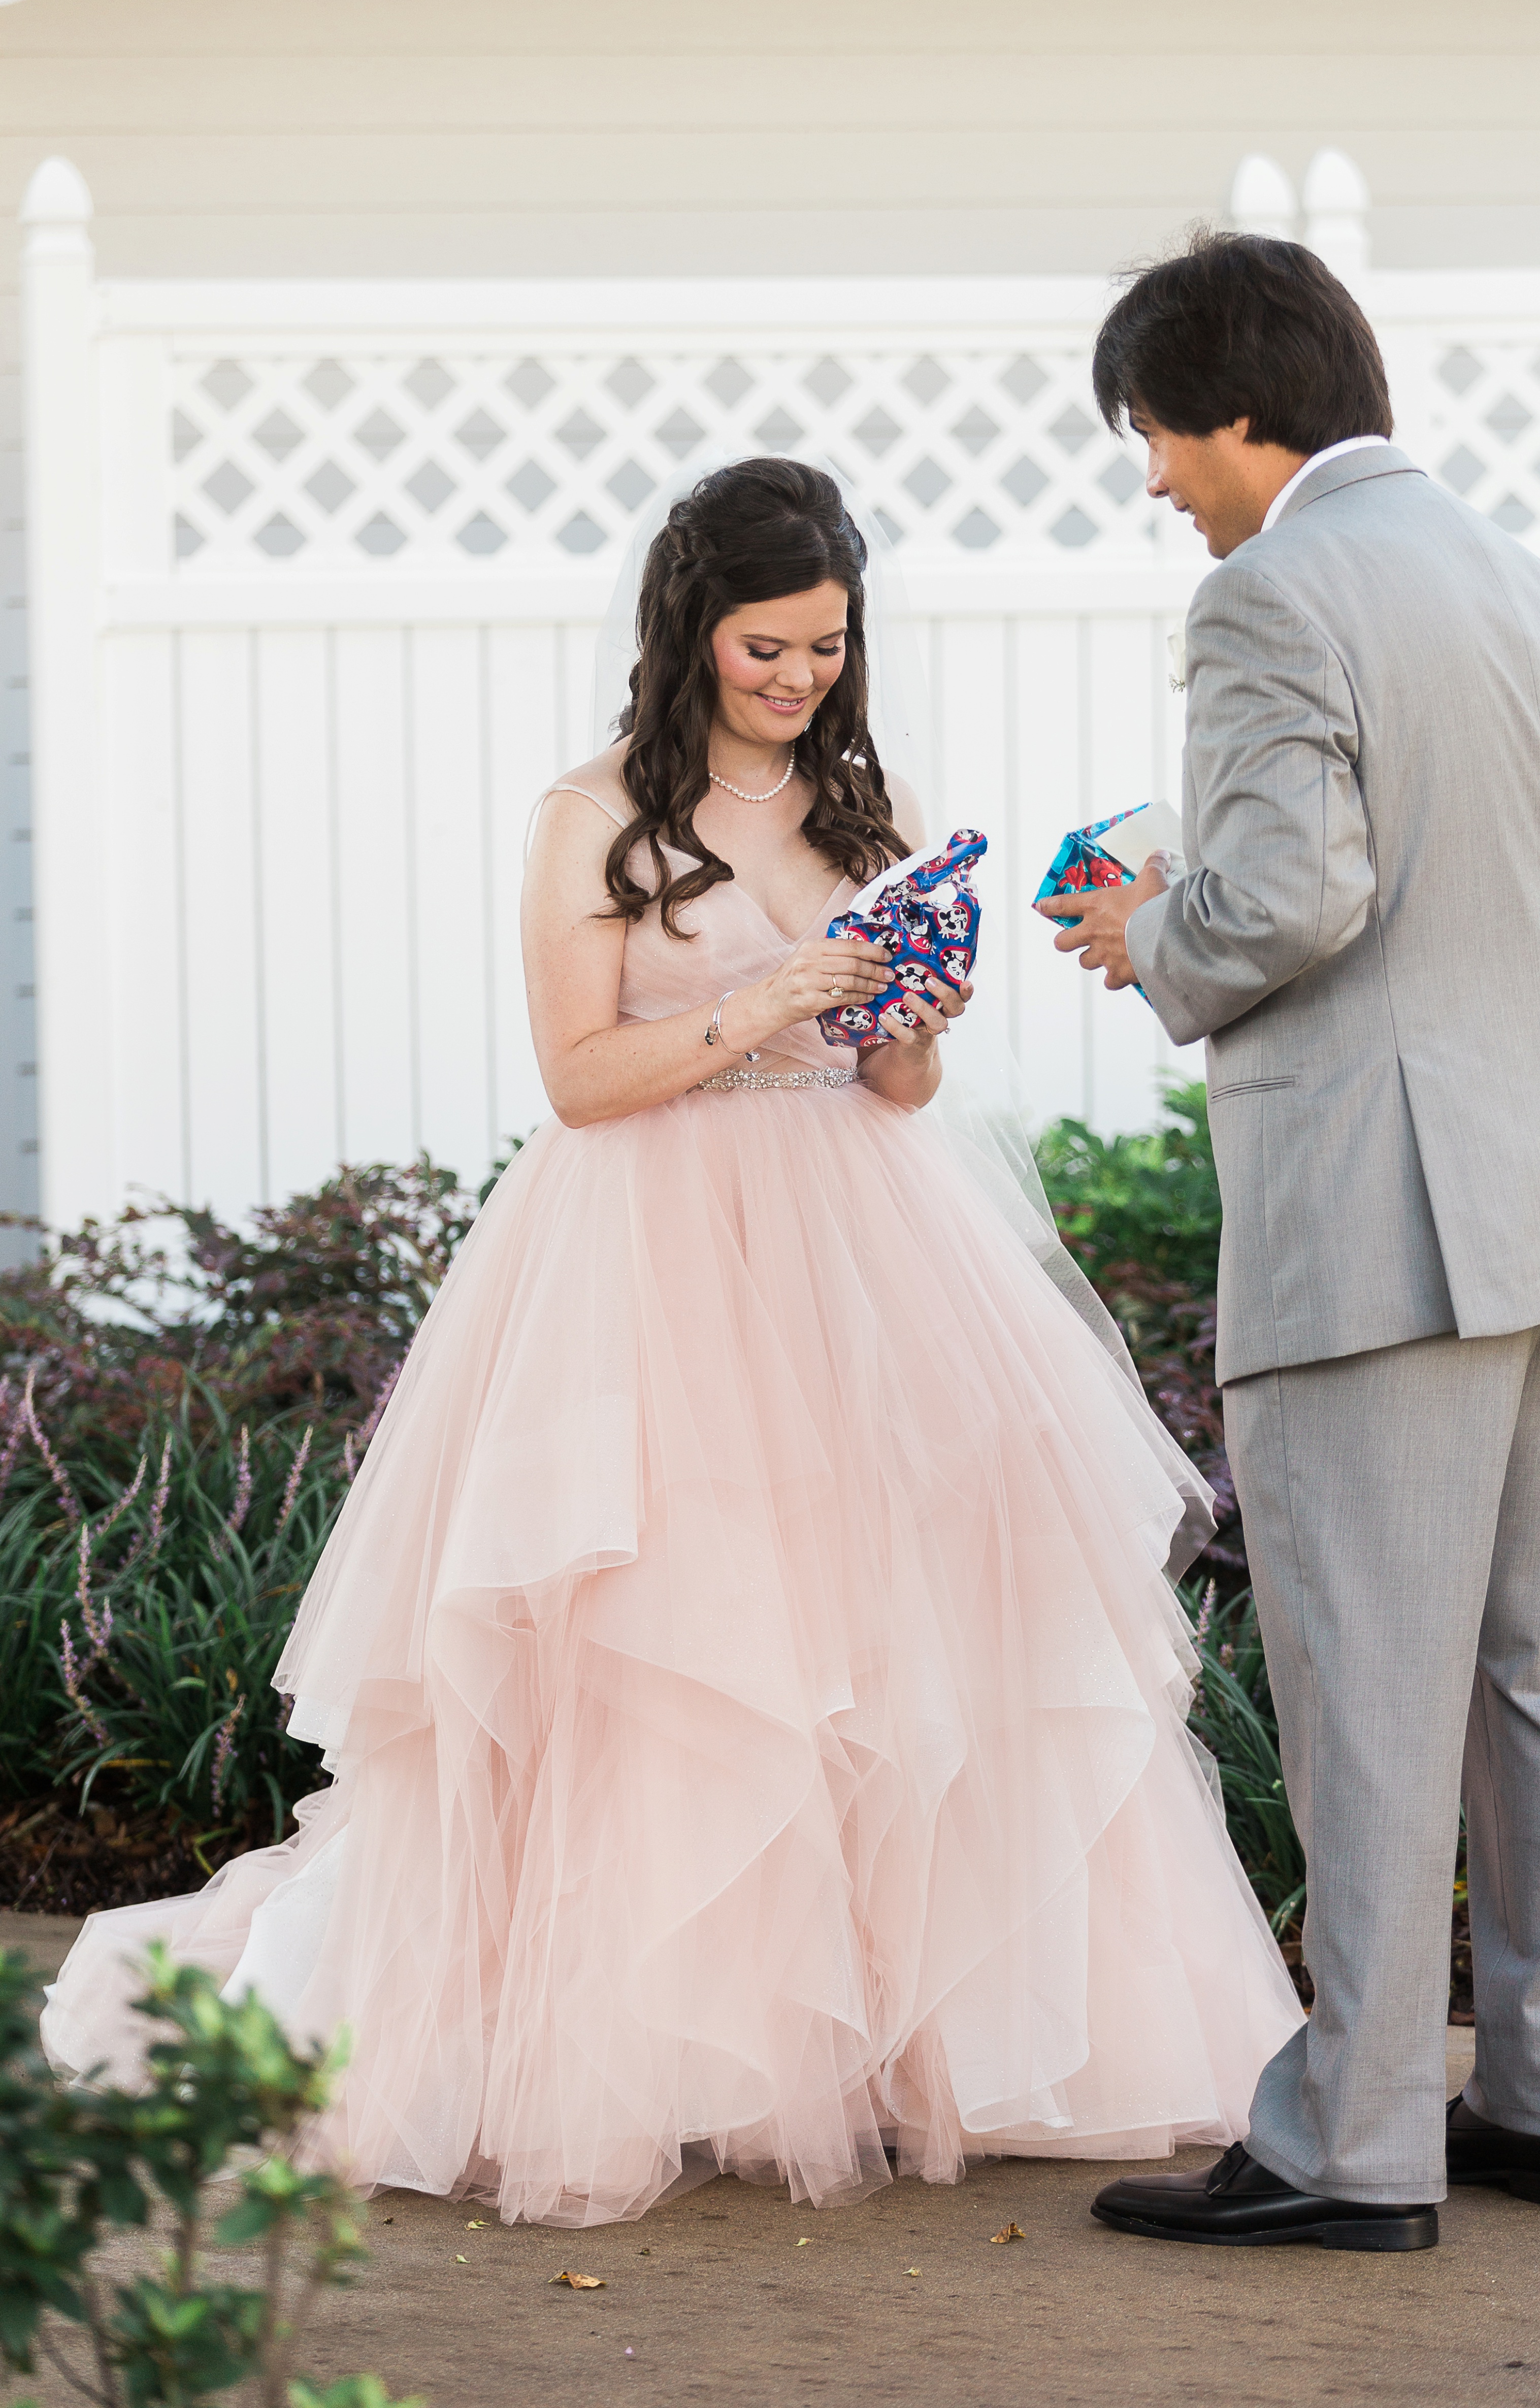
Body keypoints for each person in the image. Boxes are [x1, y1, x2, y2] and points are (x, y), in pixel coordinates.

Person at [43, 455, 1300, 2227]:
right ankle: (641, 2045)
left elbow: (899, 1086)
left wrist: (909, 1011)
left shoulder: (873, 806)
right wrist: (768, 994)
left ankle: (881, 2039)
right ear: (692, 627)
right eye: (766, 645)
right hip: (645, 1257)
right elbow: (577, 1078)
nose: (797, 677)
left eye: (826, 646)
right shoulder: (591, 818)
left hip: (856, 1250)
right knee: (674, 1641)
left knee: (878, 1639)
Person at [1043, 234, 1540, 2255]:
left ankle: (1353, 2141)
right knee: (1539, 1670)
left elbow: (1288, 897)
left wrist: (1140, 927)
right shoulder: (1529, 585)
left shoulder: (1268, 593)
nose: (1156, 477)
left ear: (1237, 408)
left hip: (1376, 1223)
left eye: (1154, 433)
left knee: (1367, 1687)